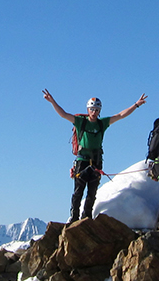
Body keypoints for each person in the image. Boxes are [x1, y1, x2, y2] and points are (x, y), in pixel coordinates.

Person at [43, 90, 145, 223]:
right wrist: (52, 101)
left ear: (99, 110)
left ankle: (87, 216)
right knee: (78, 192)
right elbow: (64, 114)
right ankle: (74, 217)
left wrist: (136, 105)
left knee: (92, 192)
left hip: (96, 162)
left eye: (97, 110)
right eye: (92, 109)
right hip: (82, 161)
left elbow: (120, 115)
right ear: (88, 109)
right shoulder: (81, 122)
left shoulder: (102, 123)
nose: (94, 112)